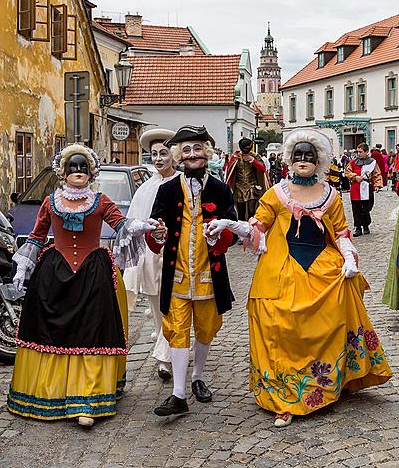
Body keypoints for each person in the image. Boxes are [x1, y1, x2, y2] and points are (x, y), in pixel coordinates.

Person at [207, 128, 392, 428]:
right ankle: (285, 396)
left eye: (309, 156)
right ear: (289, 160)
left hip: (323, 270)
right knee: (277, 323)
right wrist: (229, 223)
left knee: (332, 317)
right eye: (298, 156)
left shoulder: (330, 196)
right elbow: (258, 228)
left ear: (318, 160)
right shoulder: (276, 194)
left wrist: (348, 258)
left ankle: (327, 384)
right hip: (281, 270)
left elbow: (342, 233)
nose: (303, 161)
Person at [7, 144, 158, 426]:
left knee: (92, 332)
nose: (78, 172)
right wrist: (23, 266)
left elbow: (121, 224)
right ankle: (52, 393)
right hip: (55, 275)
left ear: (91, 173)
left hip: (93, 273)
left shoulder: (100, 202)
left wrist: (142, 226)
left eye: (83, 168)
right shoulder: (51, 202)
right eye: (73, 168)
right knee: (52, 331)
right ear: (62, 173)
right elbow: (38, 235)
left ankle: (86, 401)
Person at [146, 125, 237, 417]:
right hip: (177, 275)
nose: (193, 154)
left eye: (198, 148)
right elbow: (154, 230)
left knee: (207, 327)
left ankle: (198, 377)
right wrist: (157, 233)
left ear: (206, 152)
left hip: (210, 273)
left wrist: (221, 231)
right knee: (176, 329)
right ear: (179, 156)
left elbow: (234, 230)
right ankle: (179, 394)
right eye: (186, 150)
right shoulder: (167, 189)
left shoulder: (221, 189)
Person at [123, 128, 177, 381]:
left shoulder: (182, 183)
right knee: (157, 306)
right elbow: (134, 221)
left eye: (163, 153)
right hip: (152, 254)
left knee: (174, 306)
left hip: (177, 254)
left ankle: (166, 357)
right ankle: (165, 348)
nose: (158, 159)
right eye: (154, 154)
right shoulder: (146, 187)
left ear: (173, 156)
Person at [225, 138, 269, 221]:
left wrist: (252, 160)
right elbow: (229, 172)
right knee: (240, 212)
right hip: (239, 187)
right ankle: (242, 230)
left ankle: (252, 229)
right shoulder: (235, 157)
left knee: (251, 210)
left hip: (252, 186)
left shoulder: (255, 156)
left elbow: (263, 169)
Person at [345, 143, 382, 237]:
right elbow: (347, 172)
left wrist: (377, 185)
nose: (358, 154)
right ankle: (358, 227)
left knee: (366, 208)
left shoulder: (372, 162)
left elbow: (376, 174)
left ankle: (365, 226)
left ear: (366, 152)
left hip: (366, 187)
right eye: (358, 152)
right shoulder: (353, 162)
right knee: (356, 208)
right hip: (355, 188)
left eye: (360, 152)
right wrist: (355, 176)